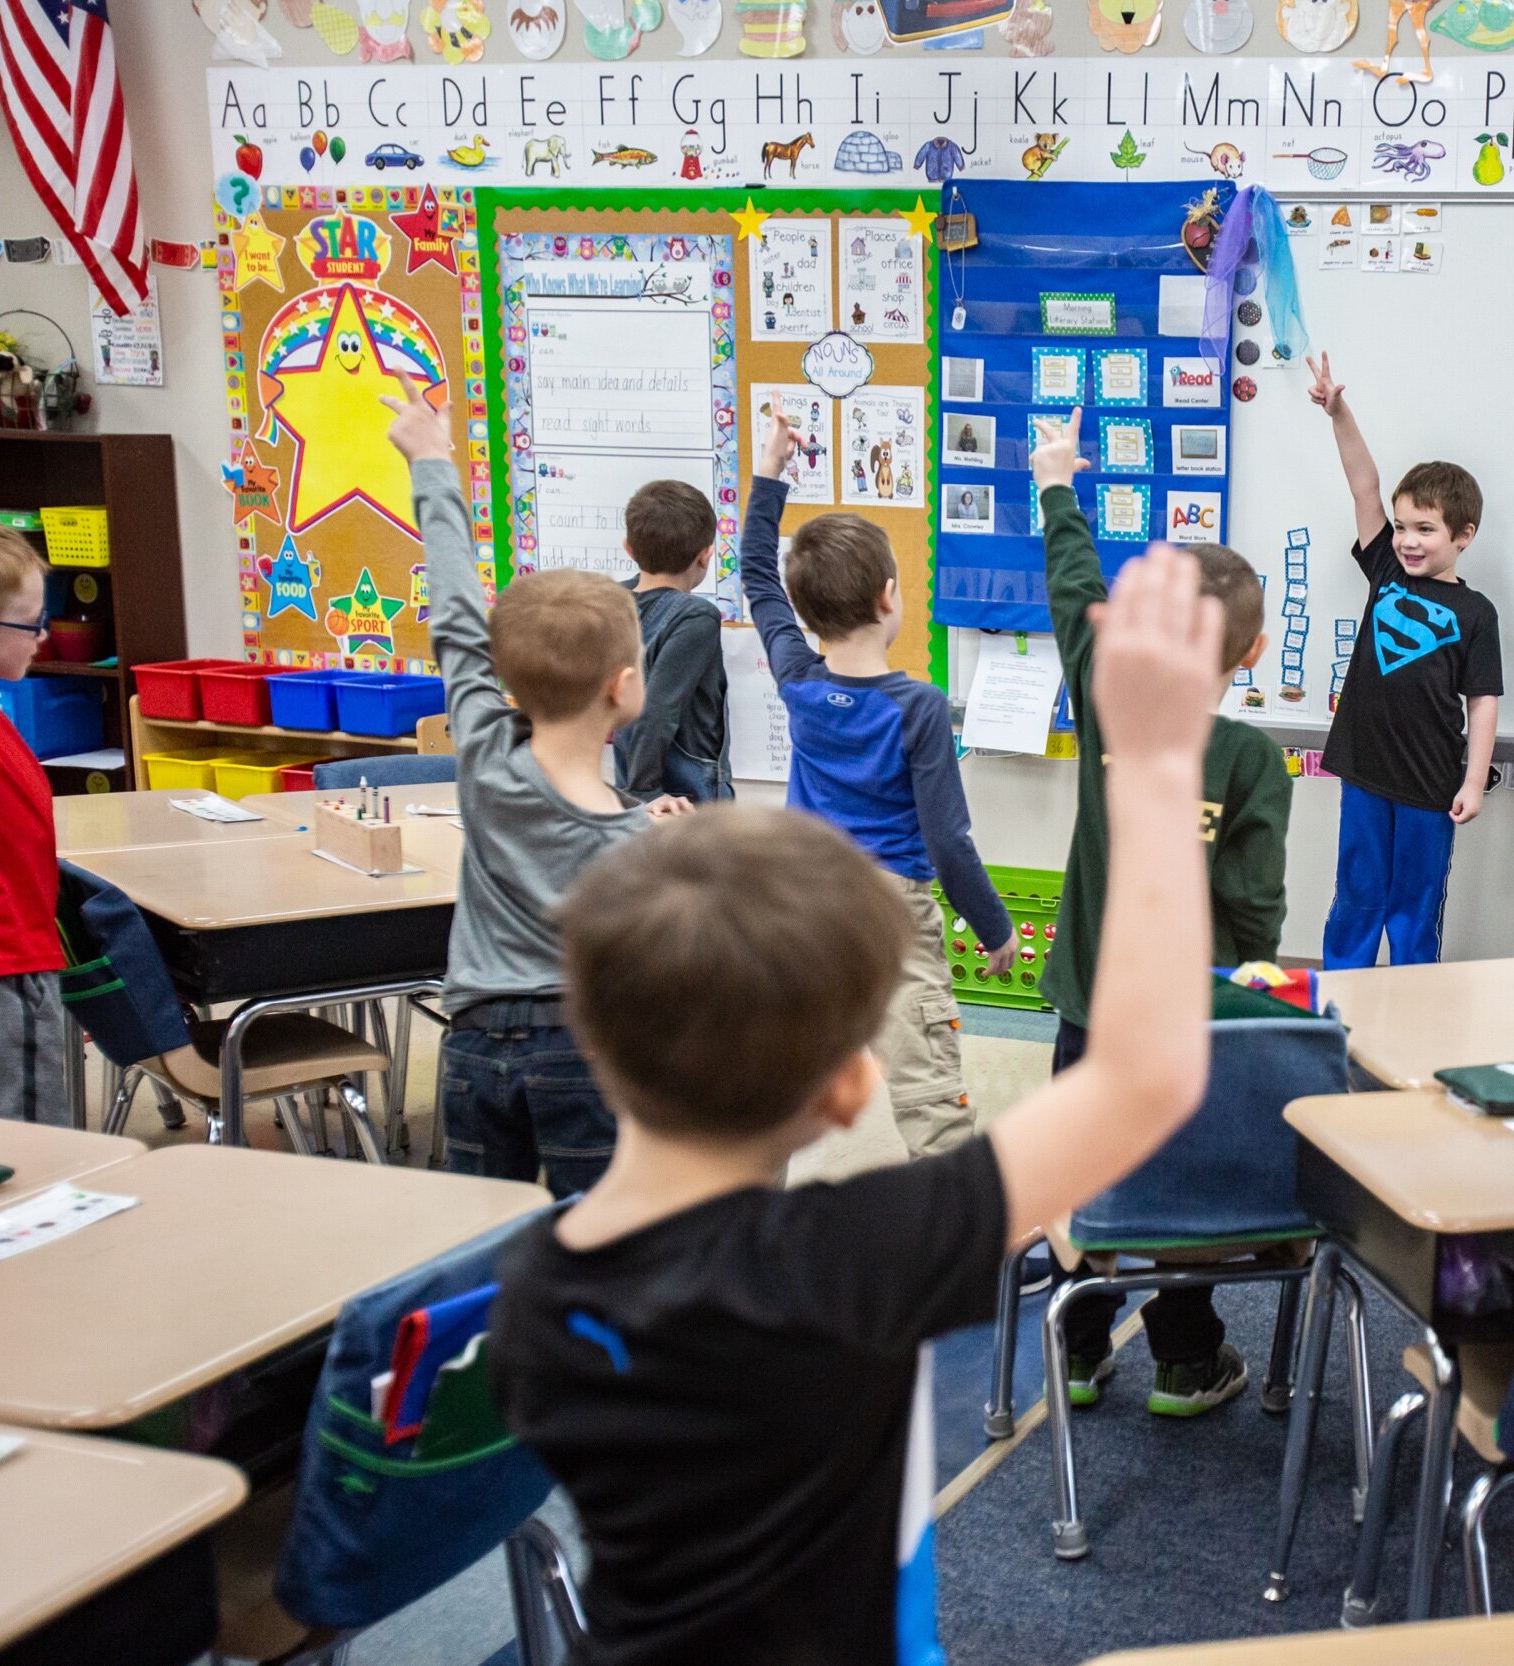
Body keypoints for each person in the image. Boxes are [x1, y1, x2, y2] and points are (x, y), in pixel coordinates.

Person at [487, 544, 1226, 1666]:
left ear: (592, 1033)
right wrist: (1160, 762)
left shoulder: (530, 1287)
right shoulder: (856, 1260)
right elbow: (1148, 1074)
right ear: (847, 1084)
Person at [1032, 407, 1291, 1416]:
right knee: (1183, 1192)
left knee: (1087, 1179)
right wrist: (1250, 975)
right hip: (1191, 1021)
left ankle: (1083, 1350)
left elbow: (1073, 590)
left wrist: (1058, 484)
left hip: (1089, 1007)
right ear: (1254, 649)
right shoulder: (1251, 758)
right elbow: (1253, 897)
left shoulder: (1105, 695)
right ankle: (1186, 1361)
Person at [386, 387, 683, 1196]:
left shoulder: (482, 751)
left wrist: (434, 465)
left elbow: (454, 610)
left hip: (472, 1045)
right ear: (623, 690)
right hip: (582, 1050)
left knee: (484, 1239)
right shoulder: (637, 846)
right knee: (594, 1234)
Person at [741, 414, 1015, 1159]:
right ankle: (961, 1245)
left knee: (778, 1085)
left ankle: (747, 1227)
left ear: (804, 611)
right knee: (929, 1097)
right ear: (890, 597)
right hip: (890, 916)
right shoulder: (918, 706)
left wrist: (771, 473)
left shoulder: (798, 681)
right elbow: (947, 840)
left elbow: (757, 575)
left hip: (806, 905)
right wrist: (994, 928)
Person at [1304, 351, 1502, 968]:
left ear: (1463, 535)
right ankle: (1339, 1014)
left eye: (1426, 530)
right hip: (1364, 769)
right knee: (1358, 900)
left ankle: (1417, 1020)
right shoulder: (1386, 571)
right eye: (1403, 527)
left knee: (1414, 912)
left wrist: (1473, 781)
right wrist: (1340, 412)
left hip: (1428, 785)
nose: (1408, 541)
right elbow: (1364, 483)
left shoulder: (1476, 614)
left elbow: (1483, 701)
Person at [0, 519, 61, 1121]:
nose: (43, 636)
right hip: (0, 972)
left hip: (9, 960)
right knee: (28, 1166)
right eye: (30, 623)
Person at [613, 479, 731, 804]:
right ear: (706, 556)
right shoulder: (697, 617)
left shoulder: (613, 601)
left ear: (629, 549)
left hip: (629, 781)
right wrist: (645, 793)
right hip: (681, 797)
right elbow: (659, 708)